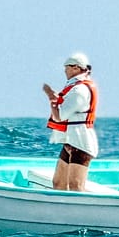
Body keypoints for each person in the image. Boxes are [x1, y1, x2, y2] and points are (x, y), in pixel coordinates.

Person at [41, 53, 99, 191]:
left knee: (76, 186)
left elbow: (60, 116)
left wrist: (51, 99)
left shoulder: (79, 90)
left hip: (80, 141)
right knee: (58, 182)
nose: (65, 71)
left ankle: (80, 211)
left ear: (76, 68)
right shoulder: (76, 88)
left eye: (67, 67)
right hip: (70, 141)